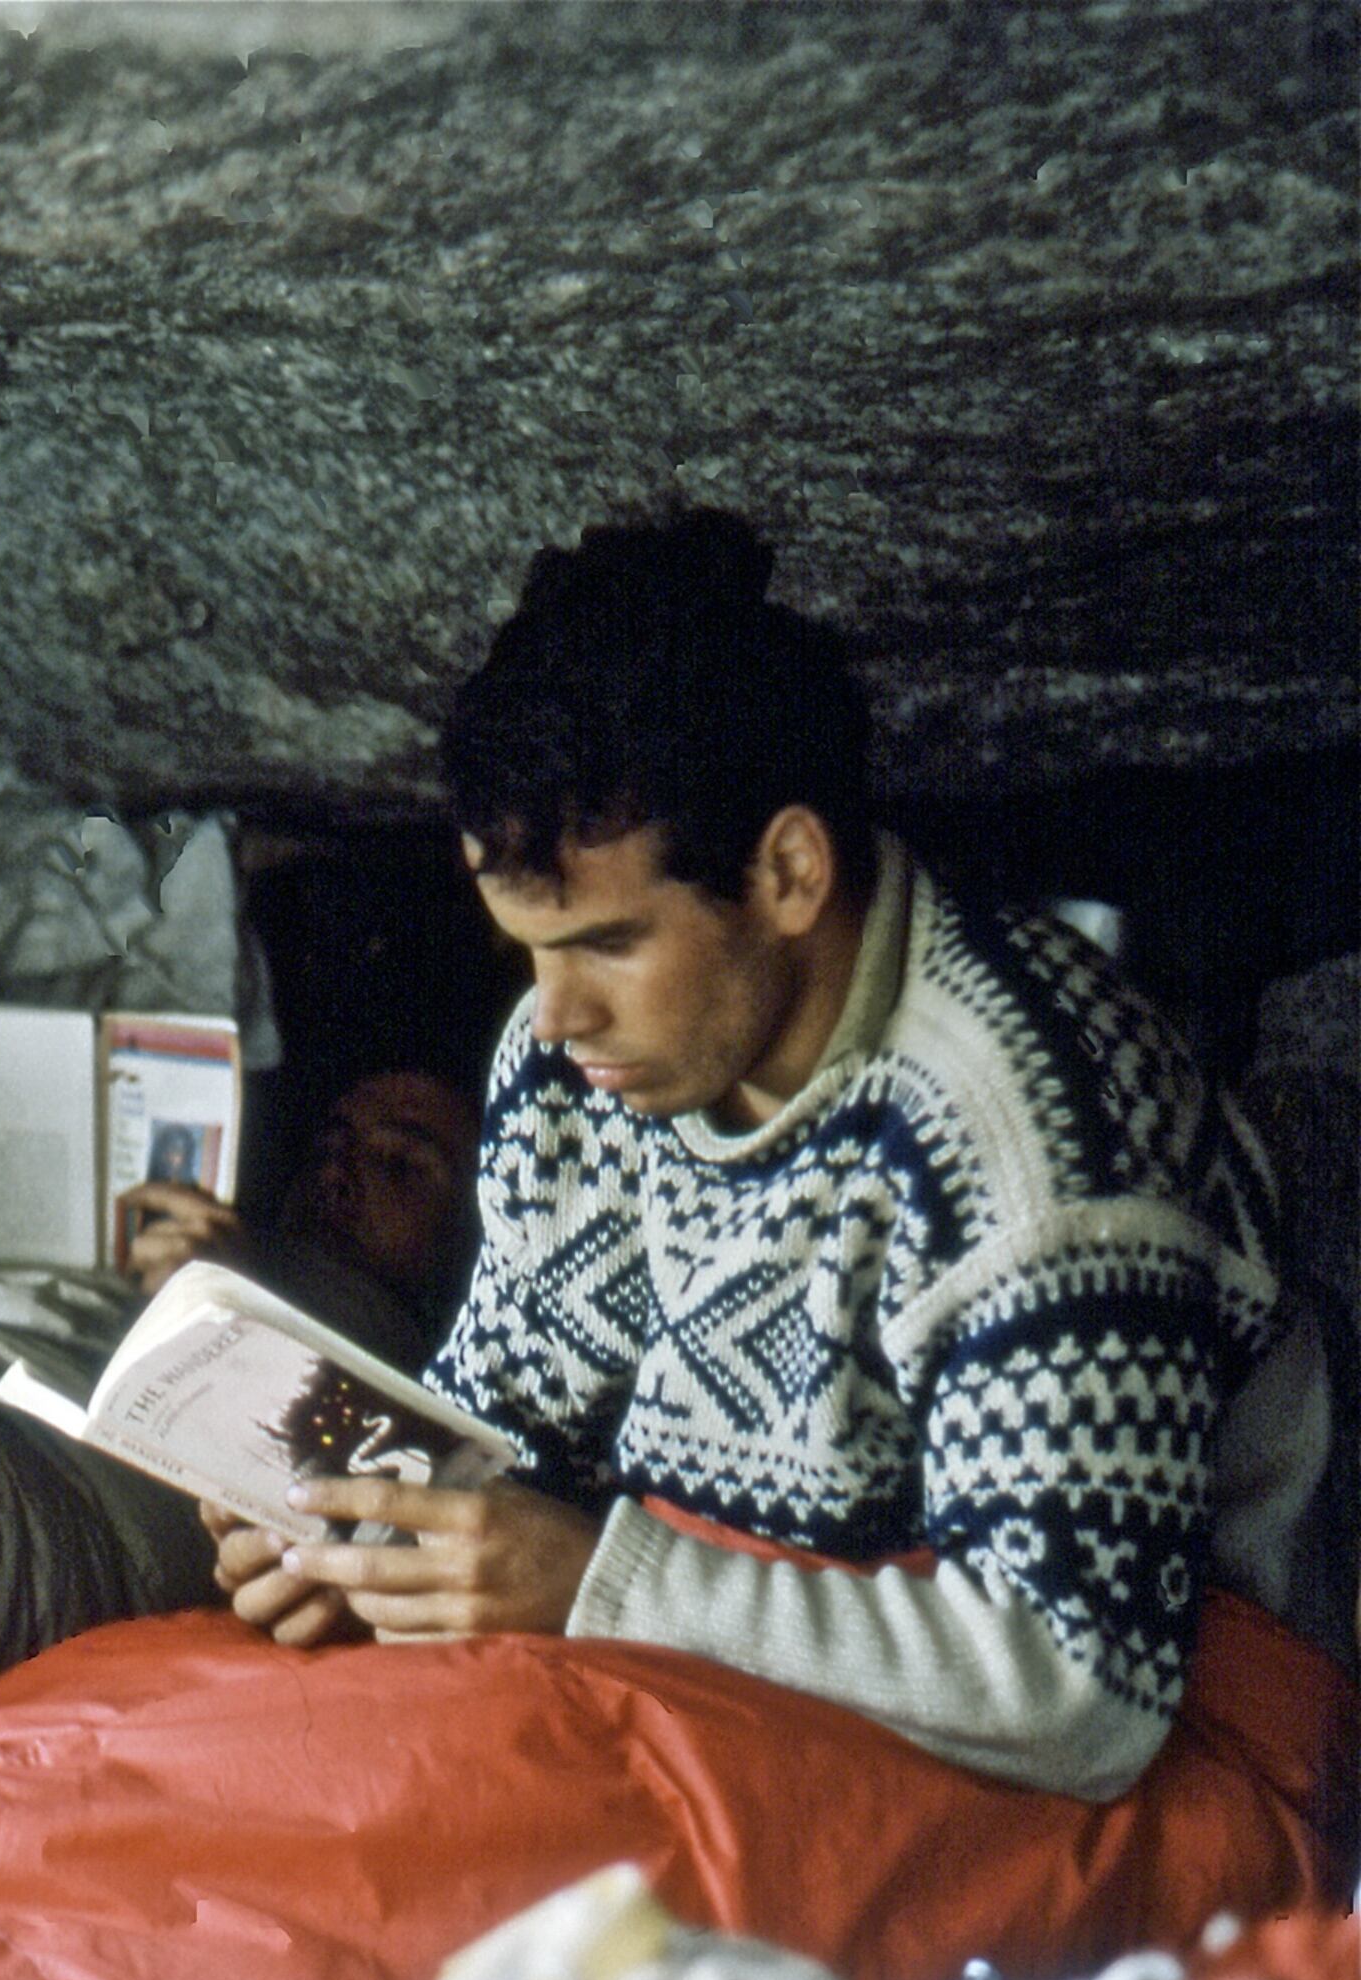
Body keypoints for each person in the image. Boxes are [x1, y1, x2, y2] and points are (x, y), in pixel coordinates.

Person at [208, 509, 1334, 1802]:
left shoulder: (1043, 1132)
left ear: (790, 871)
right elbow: (506, 1421)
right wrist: (363, 1538)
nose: (554, 1015)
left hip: (1154, 1737)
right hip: (724, 1645)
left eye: (608, 943)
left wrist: (595, 1584)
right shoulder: (582, 1063)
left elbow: (1076, 1695)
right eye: (530, 951)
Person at [115, 1066, 482, 1368]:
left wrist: (232, 1302)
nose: (333, 1173)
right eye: (328, 1148)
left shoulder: (414, 1364)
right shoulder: (235, 1243)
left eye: (399, 1165)